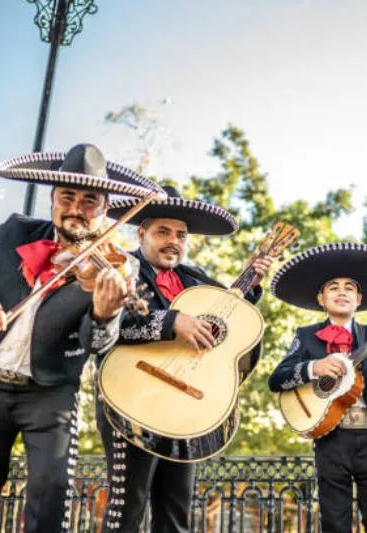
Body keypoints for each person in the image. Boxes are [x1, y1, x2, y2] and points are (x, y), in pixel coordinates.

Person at [0, 143, 158, 532]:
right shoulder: (13, 233)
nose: (76, 208)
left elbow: (98, 343)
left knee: (51, 493)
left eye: (89, 201)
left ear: (105, 208)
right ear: (52, 200)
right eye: (67, 197)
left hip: (52, 391)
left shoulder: (120, 266)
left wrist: (104, 314)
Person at [96, 185, 271, 532]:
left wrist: (249, 286)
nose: (173, 240)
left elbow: (228, 327)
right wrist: (172, 321)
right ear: (141, 232)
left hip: (184, 407)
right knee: (127, 507)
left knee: (176, 512)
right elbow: (112, 325)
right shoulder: (120, 268)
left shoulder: (197, 279)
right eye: (163, 231)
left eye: (180, 234)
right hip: (130, 396)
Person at [267, 243, 367, 533]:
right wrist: (313, 368)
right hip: (329, 439)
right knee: (334, 522)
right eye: (333, 287)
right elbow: (277, 378)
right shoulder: (306, 337)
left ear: (358, 299)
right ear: (321, 298)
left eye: (348, 288)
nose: (341, 291)